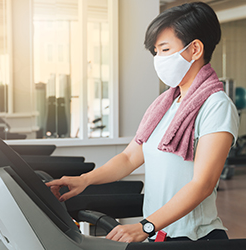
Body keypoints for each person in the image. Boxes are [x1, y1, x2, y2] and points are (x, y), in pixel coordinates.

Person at [46, 2, 239, 243]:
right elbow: (128, 158)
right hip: (159, 235)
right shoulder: (166, 104)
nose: (158, 59)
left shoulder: (216, 106)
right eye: (156, 52)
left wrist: (145, 226)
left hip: (194, 238)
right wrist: (84, 180)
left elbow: (203, 183)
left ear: (195, 49)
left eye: (165, 49)